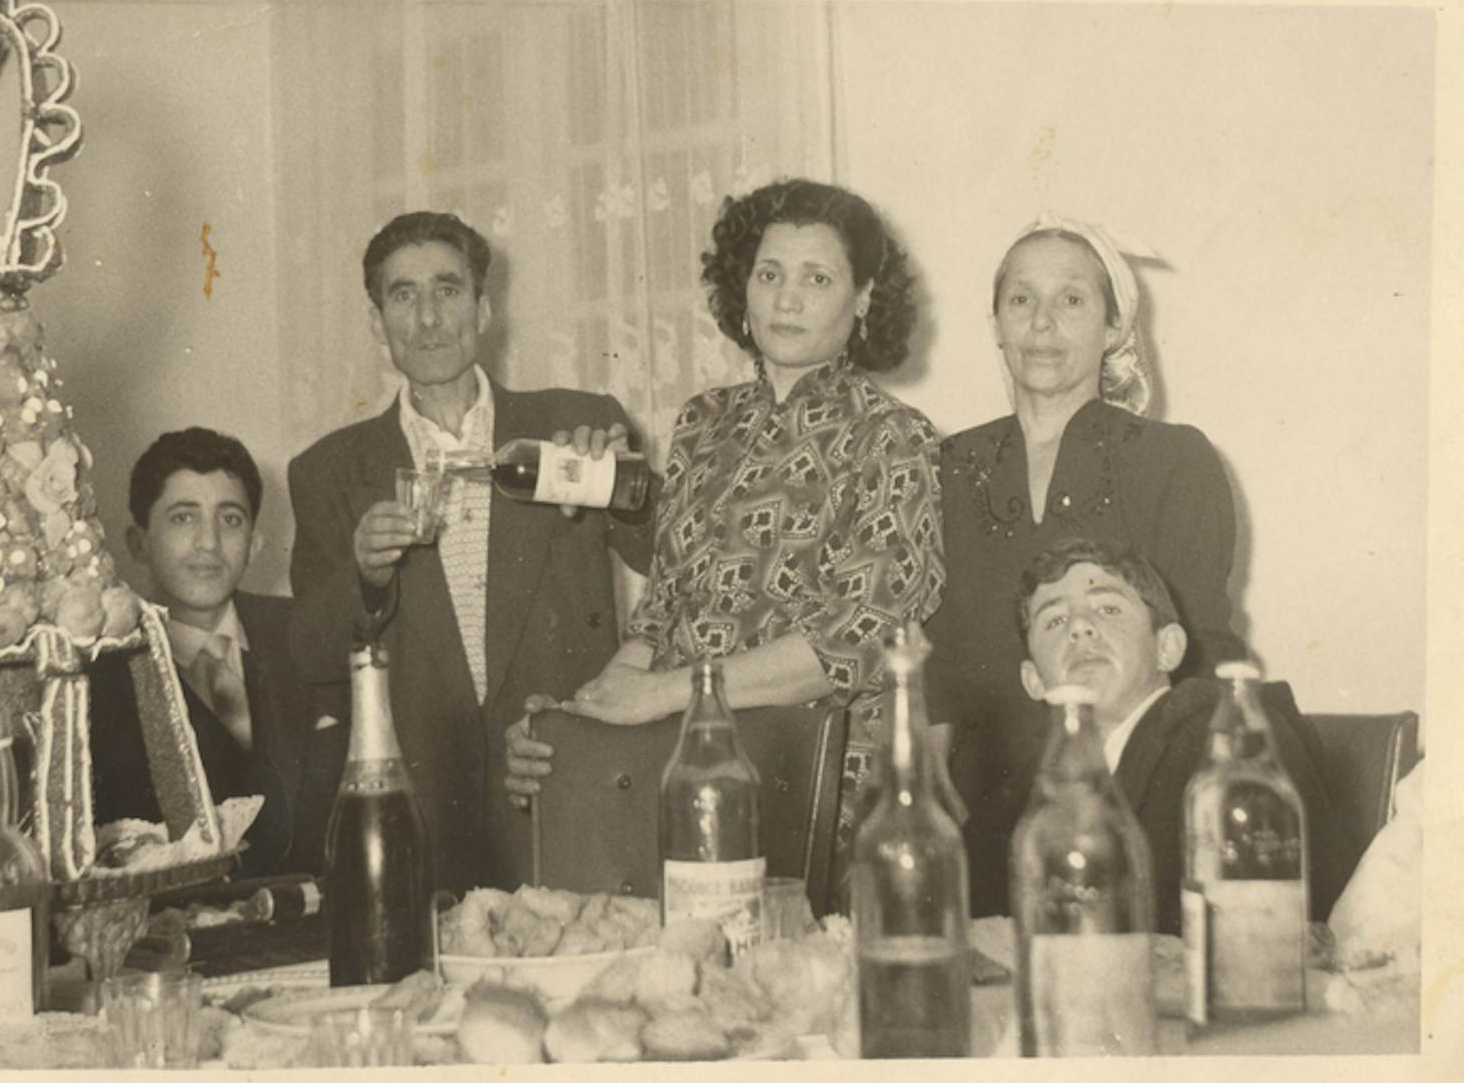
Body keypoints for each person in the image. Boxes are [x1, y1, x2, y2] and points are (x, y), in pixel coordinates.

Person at [505, 179, 945, 904]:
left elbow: (856, 639)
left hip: (814, 796)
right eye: (768, 274)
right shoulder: (703, 425)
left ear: (863, 298)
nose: (786, 298)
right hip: (680, 777)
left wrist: (661, 697)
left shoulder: (893, 437)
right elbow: (661, 613)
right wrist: (584, 710)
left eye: (817, 278)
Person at [287, 211, 656, 895]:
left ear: (484, 308)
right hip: (421, 803)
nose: (428, 318)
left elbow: (672, 560)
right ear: (377, 322)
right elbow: (308, 654)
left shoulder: (571, 422)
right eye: (403, 295)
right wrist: (366, 576)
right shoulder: (328, 470)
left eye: (447, 290)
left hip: (559, 776)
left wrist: (622, 489)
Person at [927, 213, 1247, 914]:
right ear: (996, 324)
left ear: (1112, 329)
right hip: (982, 802)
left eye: (1071, 299)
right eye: (1020, 300)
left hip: (1136, 797)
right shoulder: (946, 467)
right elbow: (938, 655)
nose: (1041, 323)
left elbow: (1197, 652)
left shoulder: (1173, 459)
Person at [1014, 538, 1356, 934]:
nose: (1079, 628)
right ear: (1034, 680)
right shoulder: (1029, 780)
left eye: (1108, 609)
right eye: (1054, 621)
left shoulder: (1226, 743)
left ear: (1167, 648)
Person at [92, 427, 339, 878]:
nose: (208, 543)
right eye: (183, 518)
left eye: (230, 520)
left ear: (255, 545)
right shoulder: (101, 671)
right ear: (139, 542)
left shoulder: (305, 633)